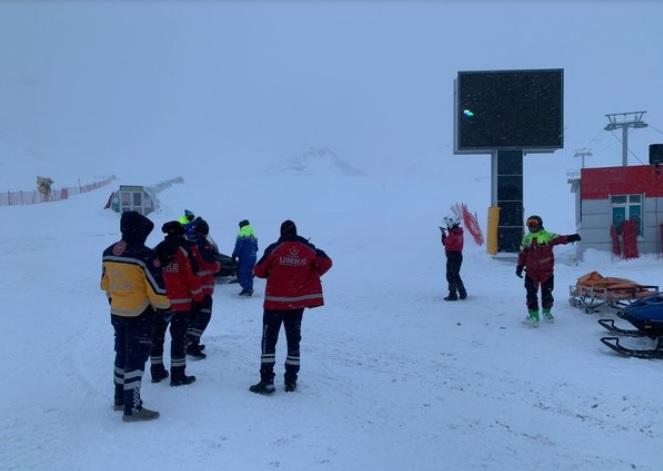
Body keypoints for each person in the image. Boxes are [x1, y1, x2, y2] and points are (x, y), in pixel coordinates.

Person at [101, 211, 170, 422]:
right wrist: (165, 309)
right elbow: (156, 290)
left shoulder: (109, 252)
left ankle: (120, 399)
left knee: (121, 355)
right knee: (136, 359)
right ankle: (133, 408)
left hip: (117, 312)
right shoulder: (145, 255)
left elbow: (105, 284)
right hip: (140, 314)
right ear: (141, 231)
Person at [249, 220, 332, 394]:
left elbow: (259, 270)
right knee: (293, 340)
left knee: (269, 341)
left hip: (274, 303)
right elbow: (326, 262)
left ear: (281, 233)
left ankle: (267, 381)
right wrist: (310, 274)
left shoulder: (275, 248)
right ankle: (291, 380)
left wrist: (275, 272)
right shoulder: (308, 249)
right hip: (296, 304)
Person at [153, 221, 203, 385]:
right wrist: (198, 297)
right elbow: (192, 277)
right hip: (181, 303)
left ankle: (157, 371)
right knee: (178, 338)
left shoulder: (158, 249)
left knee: (157, 337)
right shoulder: (185, 250)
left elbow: (151, 273)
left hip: (160, 302)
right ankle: (178, 375)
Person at [516, 215, 581, 326]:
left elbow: (560, 239)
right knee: (531, 293)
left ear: (539, 224)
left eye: (533, 224)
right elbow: (523, 254)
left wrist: (571, 238)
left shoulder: (547, 235)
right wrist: (519, 267)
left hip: (547, 272)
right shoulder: (526, 238)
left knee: (547, 292)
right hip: (531, 272)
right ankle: (533, 315)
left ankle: (547, 313)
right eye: (529, 224)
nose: (531, 227)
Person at [186, 217, 221, 359]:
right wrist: (217, 266)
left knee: (193, 316)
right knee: (203, 316)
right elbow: (208, 264)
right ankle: (191, 343)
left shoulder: (189, 244)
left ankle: (189, 341)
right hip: (203, 288)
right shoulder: (204, 245)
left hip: (193, 288)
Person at [440, 215, 467, 301]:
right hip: (457, 256)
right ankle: (462, 293)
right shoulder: (457, 232)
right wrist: (447, 233)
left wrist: (444, 234)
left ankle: (453, 294)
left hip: (453, 256)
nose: (447, 226)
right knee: (455, 275)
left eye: (448, 224)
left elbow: (446, 242)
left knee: (450, 275)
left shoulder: (453, 233)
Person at [232, 219, 259, 296]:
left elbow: (238, 246)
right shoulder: (253, 234)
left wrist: (234, 255)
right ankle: (248, 287)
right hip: (253, 257)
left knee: (242, 273)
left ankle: (247, 288)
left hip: (245, 257)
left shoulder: (242, 233)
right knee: (249, 273)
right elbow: (256, 248)